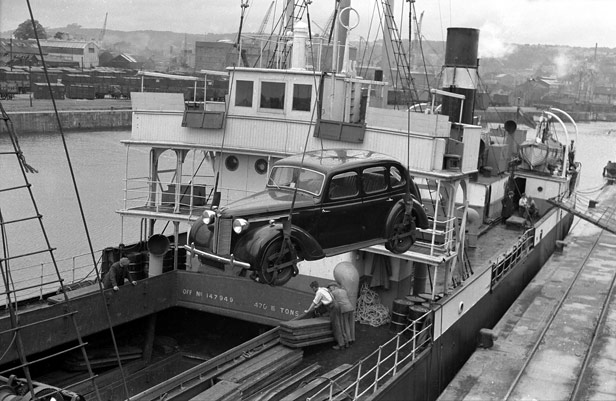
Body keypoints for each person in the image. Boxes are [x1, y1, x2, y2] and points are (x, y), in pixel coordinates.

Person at [304, 280, 345, 350]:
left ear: (314, 287)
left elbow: (314, 303)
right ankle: (345, 342)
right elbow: (324, 298)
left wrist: (308, 311)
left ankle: (341, 345)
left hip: (332, 308)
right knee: (340, 323)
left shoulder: (318, 292)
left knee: (336, 326)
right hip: (336, 305)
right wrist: (318, 306)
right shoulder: (323, 289)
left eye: (312, 288)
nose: (312, 290)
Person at [328, 282, 355, 347]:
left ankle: (349, 340)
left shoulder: (333, 293)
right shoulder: (344, 291)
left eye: (330, 287)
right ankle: (352, 338)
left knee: (345, 325)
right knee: (351, 324)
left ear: (334, 286)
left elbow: (331, 302)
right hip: (350, 307)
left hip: (344, 309)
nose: (330, 289)